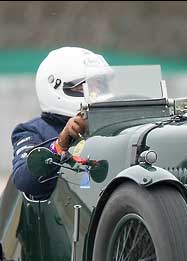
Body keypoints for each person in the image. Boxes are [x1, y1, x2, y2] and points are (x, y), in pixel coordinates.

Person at [10, 47, 112, 198]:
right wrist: (59, 146)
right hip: (61, 214)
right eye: (86, 85)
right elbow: (24, 181)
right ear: (57, 87)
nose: (96, 92)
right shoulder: (32, 131)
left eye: (100, 85)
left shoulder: (113, 125)